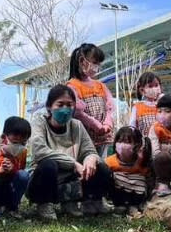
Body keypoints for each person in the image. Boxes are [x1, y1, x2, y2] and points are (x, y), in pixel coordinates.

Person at [27, 84, 111, 221]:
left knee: (101, 166)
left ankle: (91, 201)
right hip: (45, 178)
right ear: (49, 106)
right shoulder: (39, 123)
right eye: (60, 104)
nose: (65, 109)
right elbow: (39, 151)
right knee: (48, 165)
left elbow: (90, 151)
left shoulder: (76, 125)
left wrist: (90, 158)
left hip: (71, 178)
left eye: (69, 105)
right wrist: (72, 163)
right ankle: (44, 204)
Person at [67, 43, 115, 156]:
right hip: (84, 140)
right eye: (94, 62)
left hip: (104, 137)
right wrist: (97, 126)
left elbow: (110, 107)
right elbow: (78, 113)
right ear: (82, 61)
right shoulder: (72, 86)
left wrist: (107, 124)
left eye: (98, 63)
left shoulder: (100, 85)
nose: (97, 66)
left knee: (102, 165)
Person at [0, 116, 30, 220]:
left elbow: (20, 174)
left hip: (9, 189)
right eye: (15, 134)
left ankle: (12, 208)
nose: (18, 137)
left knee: (24, 174)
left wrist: (13, 169)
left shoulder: (22, 151)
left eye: (23, 135)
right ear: (6, 134)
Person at [105, 126, 151, 215]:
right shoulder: (110, 161)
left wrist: (139, 161)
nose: (122, 145)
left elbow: (147, 177)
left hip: (136, 193)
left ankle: (133, 206)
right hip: (118, 193)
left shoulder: (141, 162)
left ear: (137, 145)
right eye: (119, 141)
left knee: (140, 180)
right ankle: (119, 205)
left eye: (127, 142)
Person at [129, 71, 163, 136]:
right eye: (150, 86)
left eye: (156, 85)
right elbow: (132, 127)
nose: (154, 88)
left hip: (163, 142)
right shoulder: (137, 107)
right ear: (142, 90)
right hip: (146, 143)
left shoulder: (164, 105)